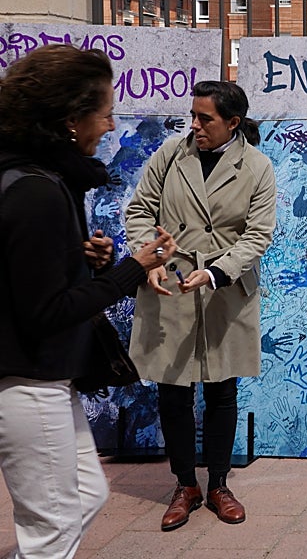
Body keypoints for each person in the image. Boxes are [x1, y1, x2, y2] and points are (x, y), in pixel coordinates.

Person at [0, 44, 176, 559]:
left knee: (87, 495)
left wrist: (85, 262)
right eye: (105, 113)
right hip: (26, 381)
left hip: (45, 380)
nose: (111, 125)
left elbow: (25, 276)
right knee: (53, 528)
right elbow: (44, 312)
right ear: (71, 120)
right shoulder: (35, 191)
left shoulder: (34, 180)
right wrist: (130, 270)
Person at [125, 81, 276, 531]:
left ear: (232, 122)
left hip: (226, 291)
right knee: (173, 389)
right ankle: (184, 484)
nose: (195, 124)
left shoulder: (257, 166)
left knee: (222, 390)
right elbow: (139, 212)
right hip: (171, 285)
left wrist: (215, 272)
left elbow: (258, 233)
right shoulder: (171, 155)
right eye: (192, 115)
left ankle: (219, 484)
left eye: (204, 118)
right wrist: (148, 258)